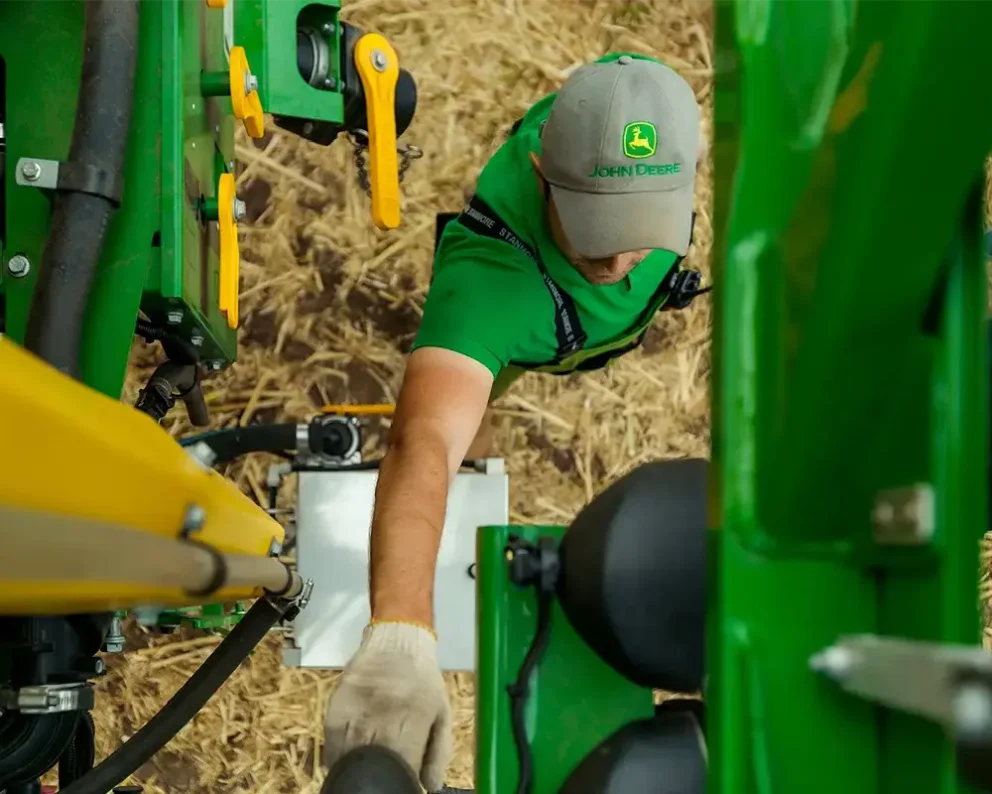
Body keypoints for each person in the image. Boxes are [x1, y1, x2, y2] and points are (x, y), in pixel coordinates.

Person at [321, 52, 706, 792]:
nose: (623, 256)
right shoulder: (488, 286)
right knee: (465, 416)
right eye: (597, 226)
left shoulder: (653, 139)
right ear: (540, 174)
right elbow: (422, 439)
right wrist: (401, 631)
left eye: (644, 224)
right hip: (525, 329)